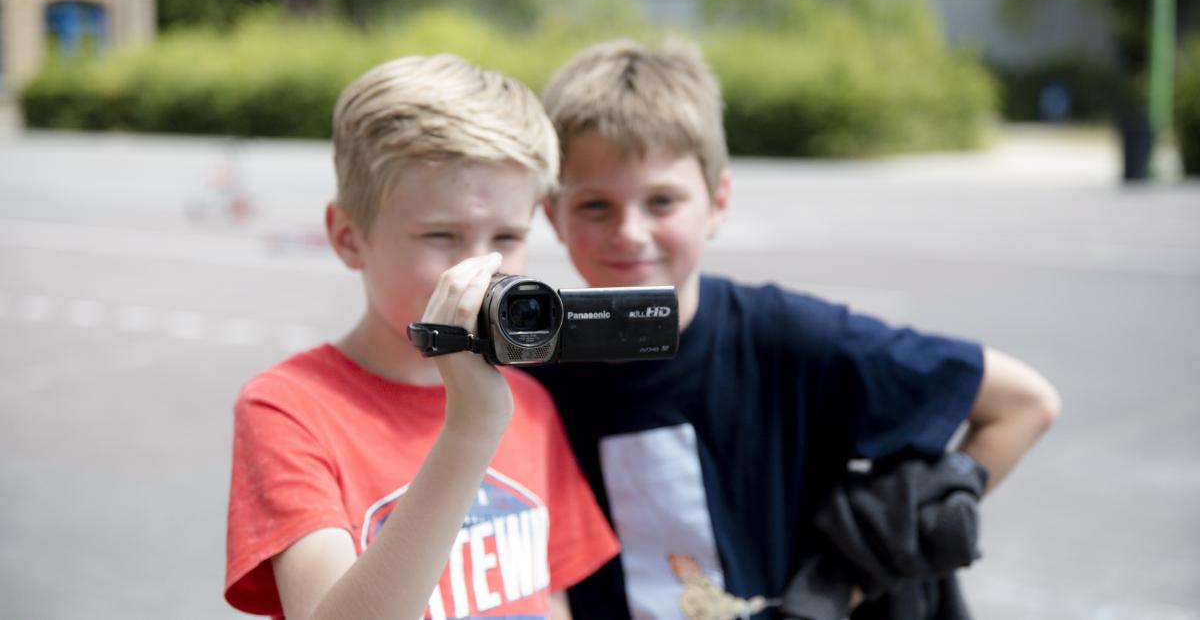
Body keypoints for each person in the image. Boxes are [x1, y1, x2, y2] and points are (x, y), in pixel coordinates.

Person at [525, 39, 1062, 620]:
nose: (629, 232)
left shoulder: (788, 338)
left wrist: (851, 574)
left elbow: (1024, 404)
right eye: (595, 206)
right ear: (552, 214)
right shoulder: (527, 371)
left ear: (718, 201)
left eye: (662, 201)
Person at [224, 54, 619, 620]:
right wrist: (470, 430)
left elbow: (550, 600)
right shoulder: (290, 409)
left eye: (507, 235)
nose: (480, 270)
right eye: (441, 235)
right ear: (347, 236)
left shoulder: (528, 405)